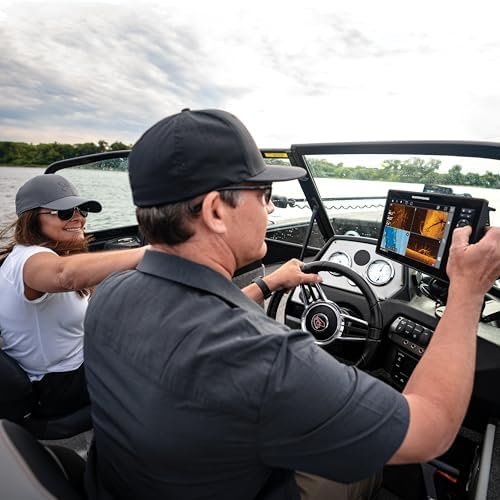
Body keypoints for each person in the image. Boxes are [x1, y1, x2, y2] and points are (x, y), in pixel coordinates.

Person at [83, 108, 500, 500]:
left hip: (134, 482)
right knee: (366, 469)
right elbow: (431, 430)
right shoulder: (265, 357)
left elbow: (193, 323)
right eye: (264, 193)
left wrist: (267, 285)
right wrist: (467, 291)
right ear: (215, 212)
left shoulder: (111, 293)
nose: (270, 207)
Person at [0, 174, 150, 418]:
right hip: (60, 385)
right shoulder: (30, 260)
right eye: (65, 212)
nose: (78, 217)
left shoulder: (27, 255)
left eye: (82, 210)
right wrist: (151, 253)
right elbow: (64, 276)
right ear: (32, 218)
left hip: (70, 371)